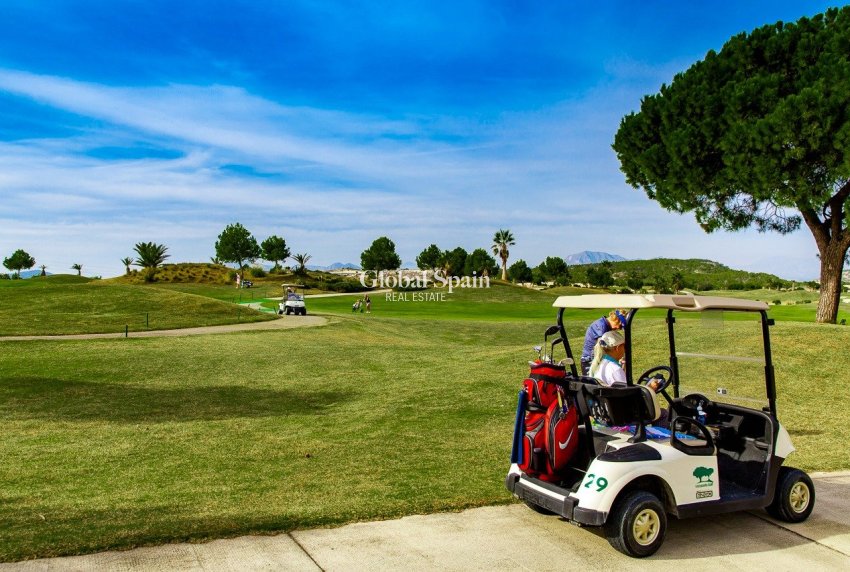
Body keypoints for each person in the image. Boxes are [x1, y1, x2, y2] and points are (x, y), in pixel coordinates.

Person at [580, 309, 628, 375]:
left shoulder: (604, 324)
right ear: (615, 319)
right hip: (589, 360)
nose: (618, 328)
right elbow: (604, 347)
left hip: (595, 358)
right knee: (594, 383)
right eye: (619, 326)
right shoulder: (601, 326)